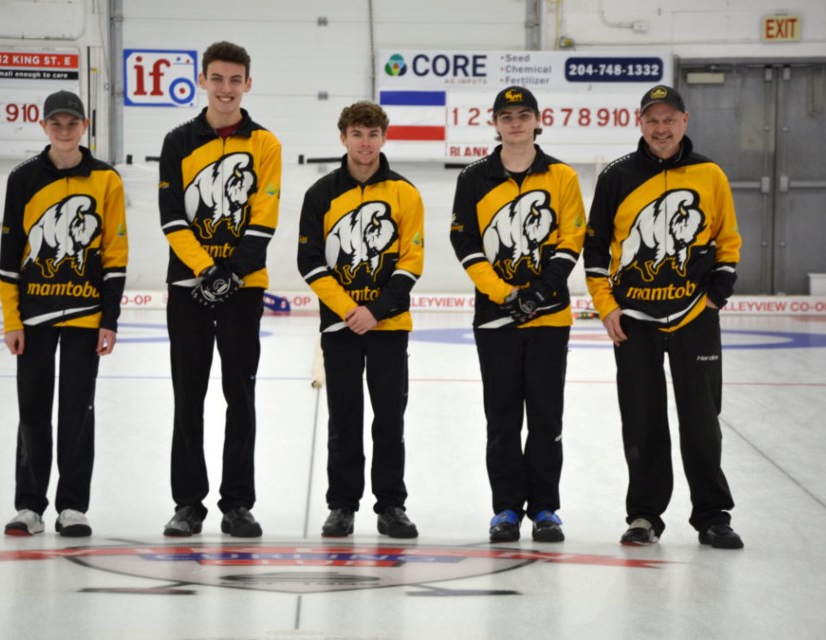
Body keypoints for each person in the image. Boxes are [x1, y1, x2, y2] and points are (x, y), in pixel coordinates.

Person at [583, 85, 744, 549]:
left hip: (694, 316)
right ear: (640, 124)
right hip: (634, 319)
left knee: (701, 419)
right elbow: (594, 248)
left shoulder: (710, 174)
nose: (661, 128)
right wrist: (606, 304)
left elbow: (726, 239)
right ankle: (645, 516)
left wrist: (716, 296)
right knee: (642, 419)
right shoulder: (617, 176)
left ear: (685, 121)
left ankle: (713, 515)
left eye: (669, 119)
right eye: (652, 120)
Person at [450, 86, 586, 543]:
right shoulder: (473, 178)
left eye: (523, 115)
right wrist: (507, 295)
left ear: (536, 121)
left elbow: (571, 239)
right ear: (495, 123)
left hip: (550, 319)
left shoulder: (562, 176)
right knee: (503, 419)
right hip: (495, 320)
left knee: (546, 418)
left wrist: (541, 291)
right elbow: (464, 242)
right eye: (506, 116)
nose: (515, 123)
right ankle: (506, 509)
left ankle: (546, 508)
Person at [157, 41, 281, 538]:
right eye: (218, 78)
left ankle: (237, 504)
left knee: (240, 394)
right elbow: (172, 217)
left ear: (248, 83)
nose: (226, 89)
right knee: (188, 394)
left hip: (244, 289)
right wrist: (208, 270)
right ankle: (188, 503)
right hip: (188, 286)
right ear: (203, 80)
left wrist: (231, 273)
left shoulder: (266, 144)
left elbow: (264, 217)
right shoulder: (177, 140)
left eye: (235, 80)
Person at [0, 90, 128, 537]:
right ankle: (29, 506)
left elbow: (115, 254)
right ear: (44, 126)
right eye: (56, 123)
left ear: (85, 127)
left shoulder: (107, 179)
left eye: (72, 123)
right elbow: (10, 254)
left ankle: (72, 505)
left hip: (85, 317)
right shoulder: (23, 178)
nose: (64, 130)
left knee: (77, 411)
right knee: (33, 410)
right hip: (33, 319)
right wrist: (12, 319)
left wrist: (109, 319)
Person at [297, 101, 425, 538]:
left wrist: (377, 310)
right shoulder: (320, 194)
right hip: (340, 326)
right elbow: (310, 260)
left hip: (389, 327)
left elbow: (411, 261)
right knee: (345, 418)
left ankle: (391, 506)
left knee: (390, 419)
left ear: (384, 138)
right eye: (357, 134)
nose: (365, 143)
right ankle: (341, 506)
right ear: (343, 138)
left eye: (372, 134)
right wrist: (350, 310)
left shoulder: (405, 193)